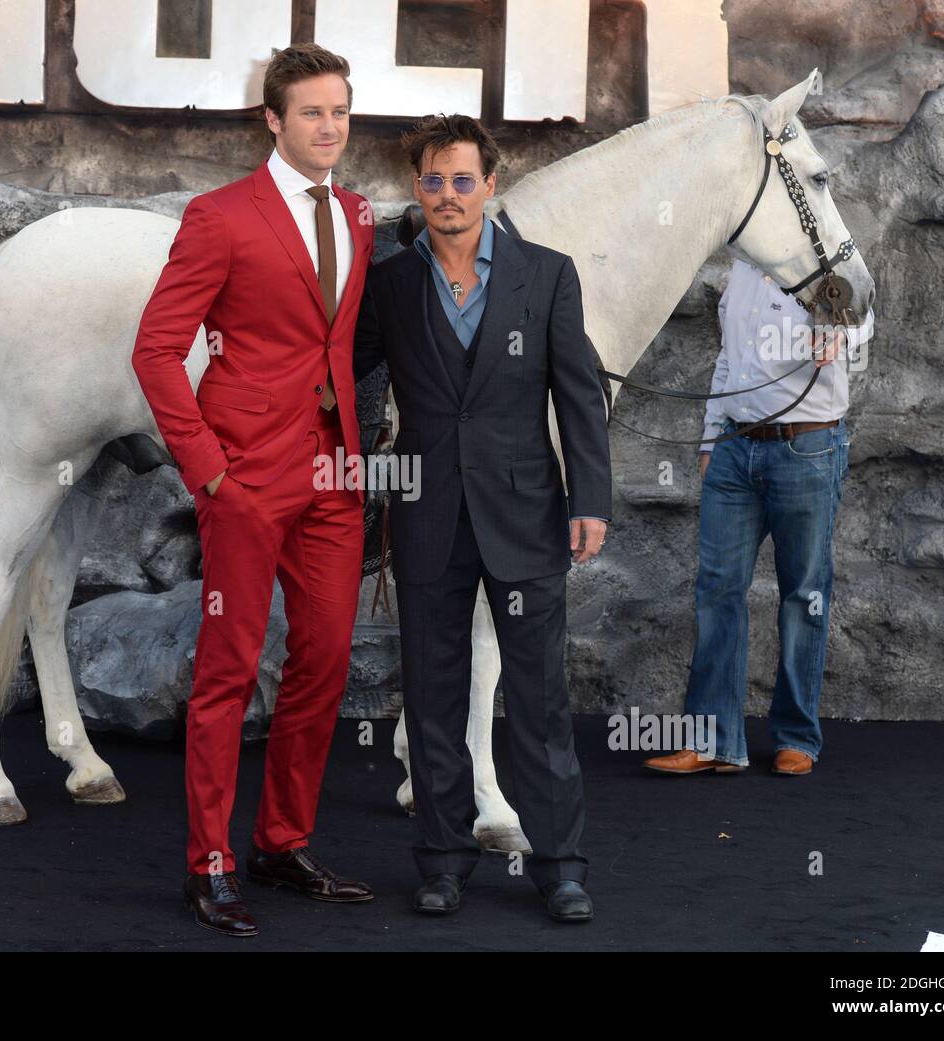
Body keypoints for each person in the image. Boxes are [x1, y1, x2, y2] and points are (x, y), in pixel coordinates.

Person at [131, 43, 376, 937]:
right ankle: (209, 862)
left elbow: (338, 344)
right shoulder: (219, 216)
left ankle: (280, 842)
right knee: (228, 670)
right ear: (272, 120)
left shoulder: (356, 213)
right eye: (312, 112)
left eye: (341, 110)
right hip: (245, 475)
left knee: (325, 656)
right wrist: (210, 473)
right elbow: (156, 350)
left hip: (332, 472)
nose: (330, 127)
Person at [353, 114, 612, 922]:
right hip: (427, 516)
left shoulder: (547, 274)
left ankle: (560, 865)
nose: (446, 195)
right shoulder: (390, 283)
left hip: (527, 518)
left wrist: (591, 500)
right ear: (417, 189)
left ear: (490, 186)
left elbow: (578, 394)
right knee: (432, 698)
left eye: (462, 180)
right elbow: (340, 369)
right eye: (431, 181)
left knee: (537, 701)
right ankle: (442, 858)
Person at [644, 258, 874, 777]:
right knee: (717, 588)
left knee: (803, 592)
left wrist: (845, 338)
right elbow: (729, 360)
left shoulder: (821, 258)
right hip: (734, 450)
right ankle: (713, 741)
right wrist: (710, 438)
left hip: (808, 447)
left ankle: (797, 737)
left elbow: (865, 313)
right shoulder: (741, 273)